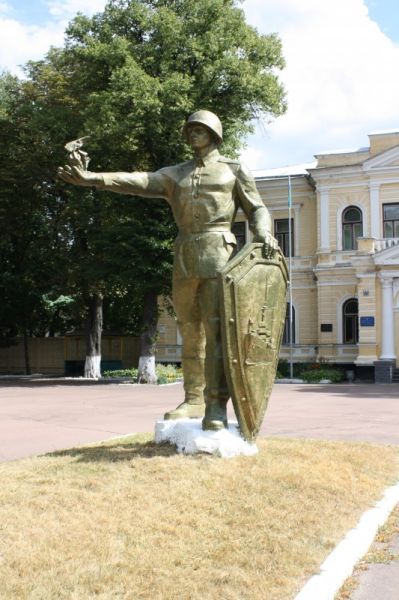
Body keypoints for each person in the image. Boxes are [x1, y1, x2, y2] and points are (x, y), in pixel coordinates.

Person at [58, 110, 277, 431]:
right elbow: (139, 180)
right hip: (185, 255)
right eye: (190, 129)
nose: (193, 134)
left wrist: (263, 232)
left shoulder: (234, 169)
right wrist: (93, 179)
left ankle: (216, 404)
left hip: (220, 255)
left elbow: (257, 208)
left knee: (218, 333)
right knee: (191, 332)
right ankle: (193, 399)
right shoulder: (176, 174)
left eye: (200, 129)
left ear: (214, 133)